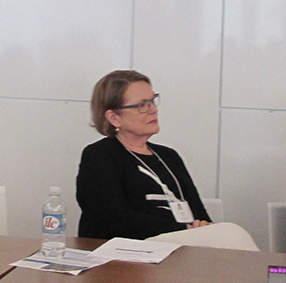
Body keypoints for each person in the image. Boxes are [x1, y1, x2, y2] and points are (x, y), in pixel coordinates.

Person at [76, 70, 211, 240]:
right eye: (142, 105)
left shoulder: (169, 156)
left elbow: (200, 215)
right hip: (128, 258)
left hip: (182, 249)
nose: (153, 110)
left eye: (153, 101)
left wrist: (202, 229)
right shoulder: (100, 156)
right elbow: (115, 220)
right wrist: (184, 231)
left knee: (230, 233)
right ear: (114, 117)